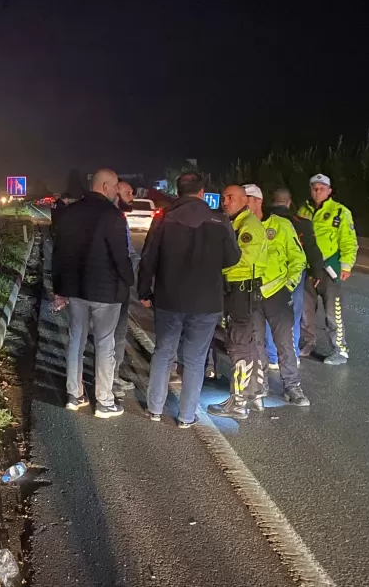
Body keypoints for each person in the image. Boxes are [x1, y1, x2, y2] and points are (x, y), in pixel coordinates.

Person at [137, 172, 240, 427]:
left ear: (178, 191)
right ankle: (185, 417)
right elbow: (233, 258)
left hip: (169, 298)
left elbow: (148, 258)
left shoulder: (164, 219)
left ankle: (155, 409)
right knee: (195, 359)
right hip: (206, 303)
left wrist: (143, 292)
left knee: (163, 353)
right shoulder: (219, 220)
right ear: (202, 192)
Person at [52, 168, 132, 419]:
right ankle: (105, 401)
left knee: (76, 339)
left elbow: (59, 253)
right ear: (106, 186)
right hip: (106, 293)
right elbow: (120, 255)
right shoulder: (113, 215)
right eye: (116, 185)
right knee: (104, 344)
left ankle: (74, 395)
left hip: (76, 290)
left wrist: (59, 288)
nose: (117, 190)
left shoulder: (70, 212)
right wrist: (129, 280)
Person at [243, 184, 310, 407]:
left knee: (284, 343)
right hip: (251, 295)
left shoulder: (281, 225)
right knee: (256, 343)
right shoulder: (239, 227)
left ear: (257, 201)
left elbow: (298, 259)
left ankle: (292, 387)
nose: (243, 203)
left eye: (248, 199)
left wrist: (288, 286)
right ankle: (260, 387)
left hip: (277, 294)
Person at [207, 184, 268, 420]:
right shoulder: (234, 222)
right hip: (240, 290)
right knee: (247, 343)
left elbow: (243, 259)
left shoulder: (247, 225)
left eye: (231, 197)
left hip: (241, 290)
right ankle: (255, 393)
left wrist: (215, 263)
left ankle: (238, 403)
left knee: (238, 345)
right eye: (223, 197)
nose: (225, 201)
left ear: (244, 200)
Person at [297, 173, 359, 365]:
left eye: (321, 188)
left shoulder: (340, 212)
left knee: (333, 312)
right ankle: (308, 344)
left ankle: (340, 350)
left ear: (329, 191)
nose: (317, 191)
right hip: (307, 268)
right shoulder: (303, 211)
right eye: (314, 188)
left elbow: (349, 242)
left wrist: (346, 266)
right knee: (306, 312)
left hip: (329, 269)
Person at [266, 188, 325, 366]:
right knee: (292, 315)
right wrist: (317, 272)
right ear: (289, 202)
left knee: (269, 315)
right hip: (295, 275)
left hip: (268, 275)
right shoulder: (301, 223)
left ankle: (273, 356)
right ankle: (290, 356)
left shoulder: (263, 220)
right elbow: (312, 250)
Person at [111, 180, 141, 398]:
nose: (132, 197)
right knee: (113, 334)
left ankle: (111, 375)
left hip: (116, 283)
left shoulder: (118, 216)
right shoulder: (113, 218)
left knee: (115, 334)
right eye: (128, 193)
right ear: (116, 192)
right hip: (114, 284)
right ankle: (108, 380)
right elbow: (125, 253)